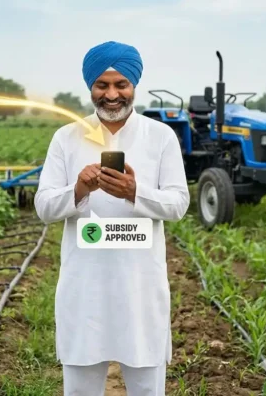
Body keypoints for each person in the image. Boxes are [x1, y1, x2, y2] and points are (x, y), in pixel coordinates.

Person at [34, 41, 190, 395]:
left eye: (121, 84)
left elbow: (178, 204)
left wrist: (134, 192)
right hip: (85, 285)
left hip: (140, 286)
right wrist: (79, 189)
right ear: (90, 86)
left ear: (134, 85)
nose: (112, 94)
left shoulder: (160, 137)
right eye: (102, 85)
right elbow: (44, 207)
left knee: (147, 388)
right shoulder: (66, 138)